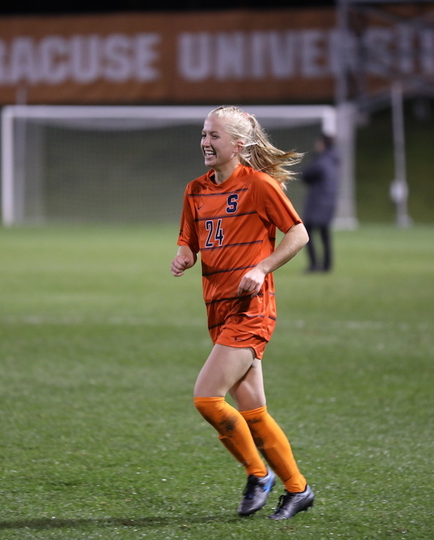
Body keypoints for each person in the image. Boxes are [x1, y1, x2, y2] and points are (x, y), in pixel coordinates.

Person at [170, 105, 314, 520]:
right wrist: (183, 256)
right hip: (217, 308)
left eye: (214, 136)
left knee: (207, 398)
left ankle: (258, 474)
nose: (205, 142)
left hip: (251, 310)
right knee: (253, 411)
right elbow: (188, 240)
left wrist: (261, 267)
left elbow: (299, 233)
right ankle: (297, 489)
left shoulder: (260, 186)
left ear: (238, 144)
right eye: (203, 134)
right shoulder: (195, 190)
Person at [301, 134, 339, 273]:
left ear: (323, 144)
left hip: (318, 203)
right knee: (324, 233)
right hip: (329, 202)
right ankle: (327, 265)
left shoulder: (321, 161)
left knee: (307, 232)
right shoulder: (334, 160)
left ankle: (314, 265)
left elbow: (306, 175)